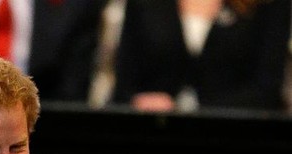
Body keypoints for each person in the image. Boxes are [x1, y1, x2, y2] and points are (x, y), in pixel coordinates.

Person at [112, 0, 291, 111]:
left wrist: (195, 112)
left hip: (237, 140)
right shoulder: (145, 3)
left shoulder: (268, 4)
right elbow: (123, 87)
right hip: (154, 137)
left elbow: (267, 89)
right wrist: (140, 101)